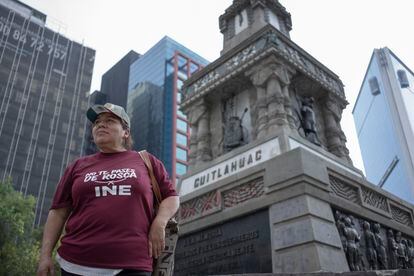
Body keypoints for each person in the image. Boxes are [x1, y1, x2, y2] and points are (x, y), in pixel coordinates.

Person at [37, 103, 180, 276]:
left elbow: (171, 197)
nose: (100, 124)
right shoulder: (77, 166)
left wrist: (160, 222)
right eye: (97, 122)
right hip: (75, 264)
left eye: (110, 120)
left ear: (125, 133)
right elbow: (58, 213)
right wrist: (45, 256)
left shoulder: (146, 160)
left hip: (133, 264)